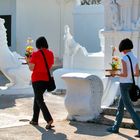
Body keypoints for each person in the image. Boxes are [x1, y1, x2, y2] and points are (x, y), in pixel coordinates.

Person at [107, 38, 140, 137]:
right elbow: (137, 74)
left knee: (129, 108)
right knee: (120, 107)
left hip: (124, 85)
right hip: (131, 84)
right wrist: (129, 74)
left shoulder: (124, 58)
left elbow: (124, 74)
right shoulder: (135, 57)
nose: (122, 52)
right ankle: (115, 127)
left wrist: (115, 74)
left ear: (124, 48)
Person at [26, 36, 54, 129]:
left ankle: (49, 119)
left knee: (39, 100)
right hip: (46, 80)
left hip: (37, 80)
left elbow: (31, 68)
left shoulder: (36, 54)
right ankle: (34, 119)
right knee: (37, 98)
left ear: (38, 45)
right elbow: (49, 66)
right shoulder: (50, 53)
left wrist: (28, 61)